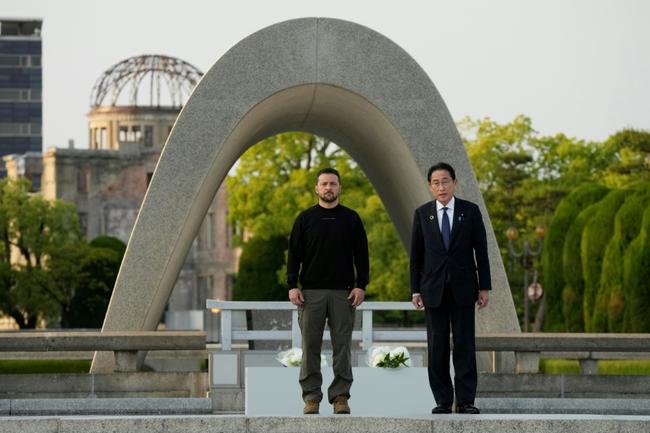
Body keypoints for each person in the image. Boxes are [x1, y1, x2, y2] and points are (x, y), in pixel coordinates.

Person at [409, 162, 491, 415]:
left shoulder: (470, 211)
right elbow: (416, 256)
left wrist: (484, 286)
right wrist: (415, 290)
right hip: (432, 289)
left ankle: (466, 400)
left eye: (445, 181)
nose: (441, 187)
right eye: (436, 182)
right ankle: (443, 400)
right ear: (430, 186)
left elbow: (481, 251)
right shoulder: (423, 214)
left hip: (464, 287)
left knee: (465, 344)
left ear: (455, 183)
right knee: (437, 346)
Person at [287, 167, 369, 415]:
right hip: (310, 293)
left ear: (339, 187)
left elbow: (362, 256)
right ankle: (311, 396)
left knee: (342, 346)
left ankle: (340, 397)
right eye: (324, 184)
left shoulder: (352, 219)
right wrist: (292, 285)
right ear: (316, 188)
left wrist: (361, 284)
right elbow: (294, 256)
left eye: (333, 184)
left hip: (343, 293)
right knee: (310, 346)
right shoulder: (305, 219)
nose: (328, 188)